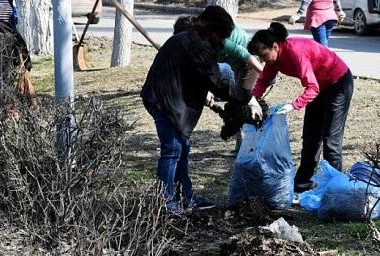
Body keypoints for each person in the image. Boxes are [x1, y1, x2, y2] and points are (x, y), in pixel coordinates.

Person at [141, 6, 252, 213]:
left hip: (167, 99)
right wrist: (245, 95)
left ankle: (185, 197)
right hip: (164, 101)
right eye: (220, 36)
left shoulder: (190, 39)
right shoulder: (198, 45)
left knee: (181, 148)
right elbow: (218, 83)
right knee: (173, 150)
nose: (221, 42)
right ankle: (165, 205)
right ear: (211, 29)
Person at [247, 22, 354, 193]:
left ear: (275, 46)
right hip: (320, 85)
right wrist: (252, 99)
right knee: (311, 136)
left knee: (331, 140)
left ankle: (335, 189)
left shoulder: (295, 52)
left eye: (263, 55)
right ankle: (303, 184)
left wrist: (293, 105)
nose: (262, 60)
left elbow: (312, 88)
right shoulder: (273, 59)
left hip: (338, 83)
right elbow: (263, 81)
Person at [173, 15, 264, 153]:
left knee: (243, 105)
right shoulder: (201, 38)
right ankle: (244, 148)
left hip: (250, 63)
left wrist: (263, 70)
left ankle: (248, 149)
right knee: (237, 105)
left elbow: (241, 52)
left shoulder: (212, 36)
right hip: (237, 65)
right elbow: (206, 68)